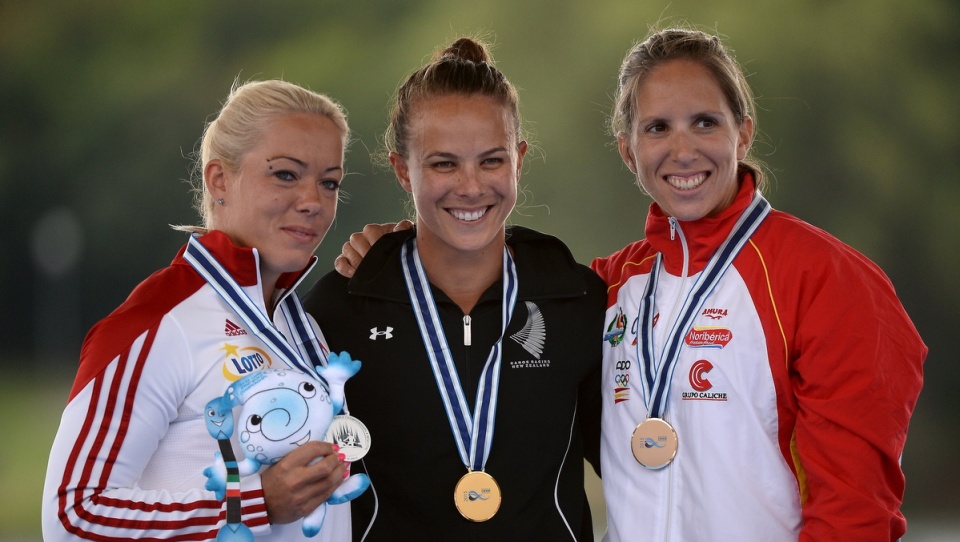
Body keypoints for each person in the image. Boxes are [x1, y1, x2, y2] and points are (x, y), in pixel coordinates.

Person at [334, 28, 927, 541]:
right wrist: (406, 247)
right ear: (628, 150)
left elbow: (857, 507)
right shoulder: (610, 288)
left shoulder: (825, 278)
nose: (683, 148)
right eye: (657, 127)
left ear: (742, 133)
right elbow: (486, 267)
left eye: (705, 122)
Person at [302, 38, 605, 541]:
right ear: (403, 170)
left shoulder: (577, 300)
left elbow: (638, 470)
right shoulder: (339, 310)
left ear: (519, 160)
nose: (470, 187)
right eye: (444, 164)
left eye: (491, 161)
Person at [42, 79, 355, 541]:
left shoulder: (300, 324)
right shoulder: (159, 321)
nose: (313, 202)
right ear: (219, 179)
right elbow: (72, 517)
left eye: (329, 182)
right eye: (286, 174)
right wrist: (253, 503)